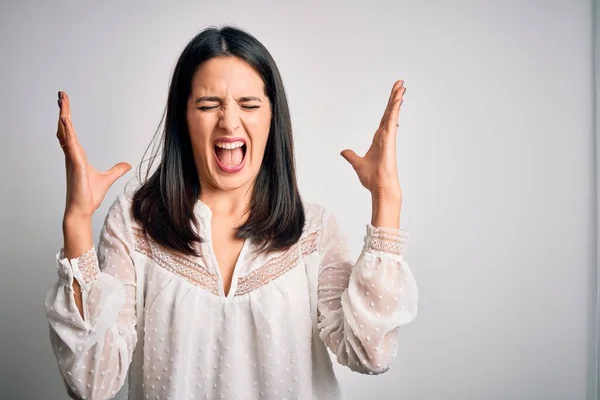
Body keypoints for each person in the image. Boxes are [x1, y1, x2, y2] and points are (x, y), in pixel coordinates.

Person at [45, 25, 418, 400]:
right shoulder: (133, 224)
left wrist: (386, 198)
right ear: (183, 118)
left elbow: (371, 353)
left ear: (273, 118)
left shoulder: (314, 231)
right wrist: (76, 222)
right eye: (208, 105)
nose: (229, 121)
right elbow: (93, 384)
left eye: (249, 104)